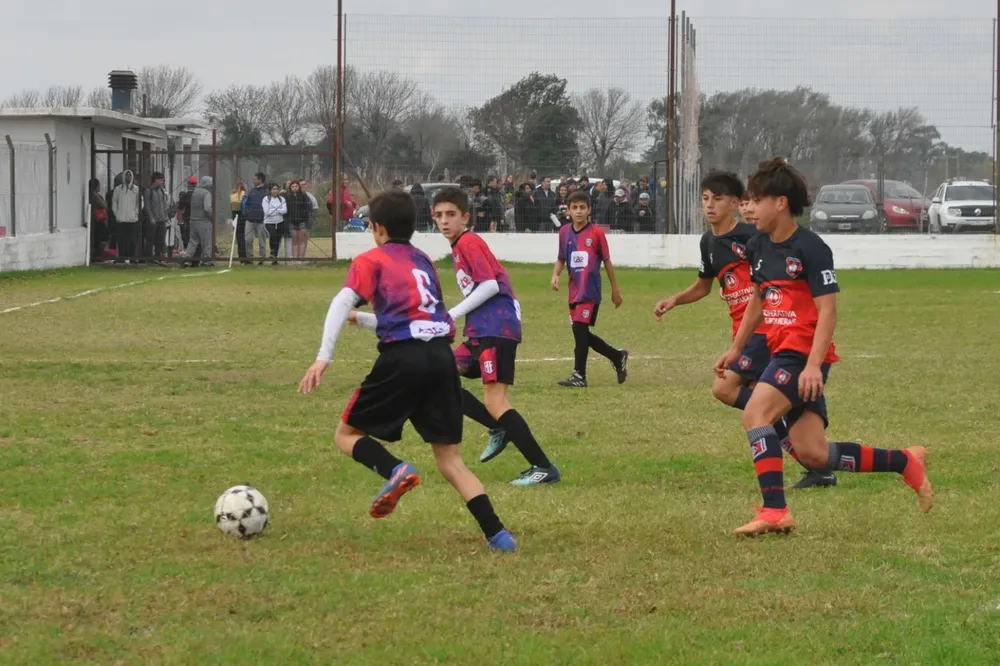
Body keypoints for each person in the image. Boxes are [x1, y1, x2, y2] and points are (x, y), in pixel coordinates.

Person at [715, 157, 933, 536]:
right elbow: (757, 301)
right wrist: (737, 348)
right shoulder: (759, 245)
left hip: (802, 353)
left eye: (756, 200)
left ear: (780, 203)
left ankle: (775, 510)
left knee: (755, 415)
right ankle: (905, 462)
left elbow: (827, 313)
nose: (749, 208)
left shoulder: (812, 248)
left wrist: (814, 365)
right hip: (779, 349)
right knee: (814, 453)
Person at [297, 190, 517, 553]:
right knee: (451, 460)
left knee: (346, 434)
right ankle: (499, 535)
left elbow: (341, 301)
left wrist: (323, 357)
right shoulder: (424, 261)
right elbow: (423, 319)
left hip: (403, 360)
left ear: (377, 228)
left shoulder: (371, 259)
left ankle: (395, 470)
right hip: (441, 359)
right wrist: (368, 321)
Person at [653, 170, 840, 490]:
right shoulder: (709, 242)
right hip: (748, 332)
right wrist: (675, 300)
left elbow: (775, 292)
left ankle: (781, 440)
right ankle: (807, 449)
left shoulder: (752, 238)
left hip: (770, 332)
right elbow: (704, 286)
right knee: (787, 422)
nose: (709, 206)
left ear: (735, 204)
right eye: (705, 199)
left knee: (727, 391)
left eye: (718, 199)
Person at [431, 186, 561, 486]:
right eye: (439, 215)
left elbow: (489, 286)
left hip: (496, 328)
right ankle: (497, 427)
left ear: (466, 217)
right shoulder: (460, 245)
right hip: (481, 330)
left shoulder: (469, 241)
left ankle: (543, 467)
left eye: (451, 214)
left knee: (496, 401)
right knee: (440, 373)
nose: (444, 221)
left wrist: (451, 315)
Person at [551, 191, 628, 387]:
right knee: (581, 333)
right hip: (573, 291)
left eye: (582, 207)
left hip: (590, 292)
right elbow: (561, 258)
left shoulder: (596, 233)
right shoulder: (564, 232)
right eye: (574, 208)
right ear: (568, 211)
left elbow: (607, 262)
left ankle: (580, 376)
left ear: (589, 210)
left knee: (579, 330)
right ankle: (617, 356)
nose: (578, 211)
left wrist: (615, 289)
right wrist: (555, 274)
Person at [179, 176, 214, 268]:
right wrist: (212, 215)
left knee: (193, 241)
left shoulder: (195, 192)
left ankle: (186, 258)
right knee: (206, 242)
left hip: (193, 220)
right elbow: (207, 208)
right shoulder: (206, 193)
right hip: (203, 221)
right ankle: (206, 261)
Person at [111, 170, 140, 262]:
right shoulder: (118, 189)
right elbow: (114, 202)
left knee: (132, 240)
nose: (128, 177)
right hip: (121, 219)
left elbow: (139, 203)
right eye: (126, 175)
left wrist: (136, 213)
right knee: (121, 240)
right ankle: (121, 257)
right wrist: (117, 213)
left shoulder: (136, 189)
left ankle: (132, 258)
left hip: (132, 219)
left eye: (129, 175)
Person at [244, 173, 269, 265]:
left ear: (260, 180)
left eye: (254, 179)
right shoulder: (251, 191)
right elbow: (246, 203)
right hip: (250, 220)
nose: (253, 181)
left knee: (262, 242)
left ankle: (262, 259)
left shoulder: (266, 191)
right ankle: (249, 259)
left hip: (262, 221)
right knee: (248, 240)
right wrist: (246, 213)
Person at [284, 180, 312, 260]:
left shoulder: (304, 196)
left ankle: (301, 258)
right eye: (292, 187)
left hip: (302, 222)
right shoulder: (288, 197)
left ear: (299, 187)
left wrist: (305, 220)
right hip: (292, 222)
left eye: (296, 186)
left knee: (301, 241)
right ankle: (295, 259)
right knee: (295, 242)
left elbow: (308, 209)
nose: (294, 188)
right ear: (290, 188)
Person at [262, 184, 287, 265]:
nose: (275, 191)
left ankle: (274, 258)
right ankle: (272, 252)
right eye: (273, 189)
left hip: (280, 222)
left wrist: (273, 210)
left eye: (276, 189)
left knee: (278, 239)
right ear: (270, 190)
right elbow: (267, 212)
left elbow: (284, 210)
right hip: (269, 222)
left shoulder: (282, 199)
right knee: (273, 236)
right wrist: (278, 210)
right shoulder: (266, 199)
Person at [88, 178, 109, 262]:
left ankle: (98, 255)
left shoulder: (92, 195)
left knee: (98, 238)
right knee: (100, 238)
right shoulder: (95, 196)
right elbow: (104, 205)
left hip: (96, 220)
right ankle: (98, 255)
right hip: (99, 220)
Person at [231, 182, 248, 263]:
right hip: (241, 216)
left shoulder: (232, 195)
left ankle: (241, 256)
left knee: (239, 237)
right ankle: (244, 257)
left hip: (234, 216)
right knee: (243, 238)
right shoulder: (243, 194)